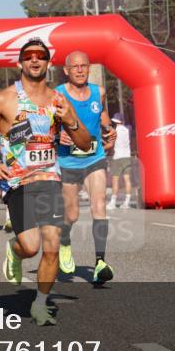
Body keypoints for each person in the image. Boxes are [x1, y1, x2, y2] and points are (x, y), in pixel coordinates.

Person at [0, 38, 91, 326]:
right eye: (29, 56)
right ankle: (14, 251)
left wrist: (72, 121)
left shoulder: (58, 100)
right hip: (18, 182)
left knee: (51, 245)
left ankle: (40, 303)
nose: (35, 60)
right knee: (31, 247)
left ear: (48, 63)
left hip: (50, 178)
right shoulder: (4, 99)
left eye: (41, 56)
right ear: (20, 62)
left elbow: (85, 143)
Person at [55, 51, 118, 284]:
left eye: (84, 66)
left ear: (89, 68)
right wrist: (56, 135)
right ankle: (64, 242)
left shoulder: (98, 92)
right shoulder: (57, 95)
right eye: (75, 66)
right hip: (67, 162)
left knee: (99, 206)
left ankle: (100, 262)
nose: (80, 70)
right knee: (71, 214)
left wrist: (109, 130)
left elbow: (102, 115)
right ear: (66, 70)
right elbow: (45, 124)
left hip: (94, 157)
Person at [107, 113, 133, 209]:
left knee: (115, 180)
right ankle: (127, 202)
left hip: (117, 157)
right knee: (127, 179)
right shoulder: (128, 129)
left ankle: (113, 202)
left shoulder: (114, 131)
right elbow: (129, 125)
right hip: (127, 156)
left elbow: (110, 145)